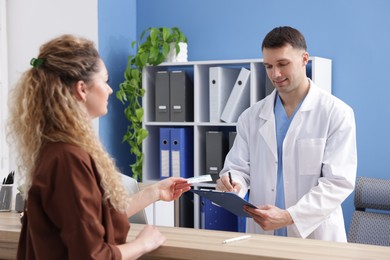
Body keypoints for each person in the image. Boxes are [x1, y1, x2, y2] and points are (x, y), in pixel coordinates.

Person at [8, 34, 191, 259]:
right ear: (82, 89)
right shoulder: (68, 158)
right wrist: (144, 243)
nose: (110, 89)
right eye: (104, 81)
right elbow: (92, 255)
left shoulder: (62, 148)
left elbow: (96, 221)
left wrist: (154, 192)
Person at [216, 26, 357, 242]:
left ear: (304, 59)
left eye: (283, 64)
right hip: (263, 233)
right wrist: (233, 183)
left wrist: (289, 216)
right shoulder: (251, 117)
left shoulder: (336, 113)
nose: (275, 74)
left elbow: (338, 182)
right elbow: (238, 169)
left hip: (314, 236)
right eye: (268, 66)